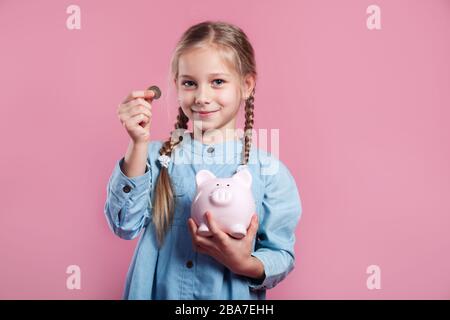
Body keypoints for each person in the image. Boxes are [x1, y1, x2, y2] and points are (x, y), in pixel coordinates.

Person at [104, 20, 302, 300]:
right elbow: (124, 224)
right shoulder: (155, 157)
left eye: (217, 82)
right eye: (189, 83)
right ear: (176, 85)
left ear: (246, 85)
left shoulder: (270, 173)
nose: (202, 96)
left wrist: (243, 263)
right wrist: (137, 143)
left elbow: (281, 254)